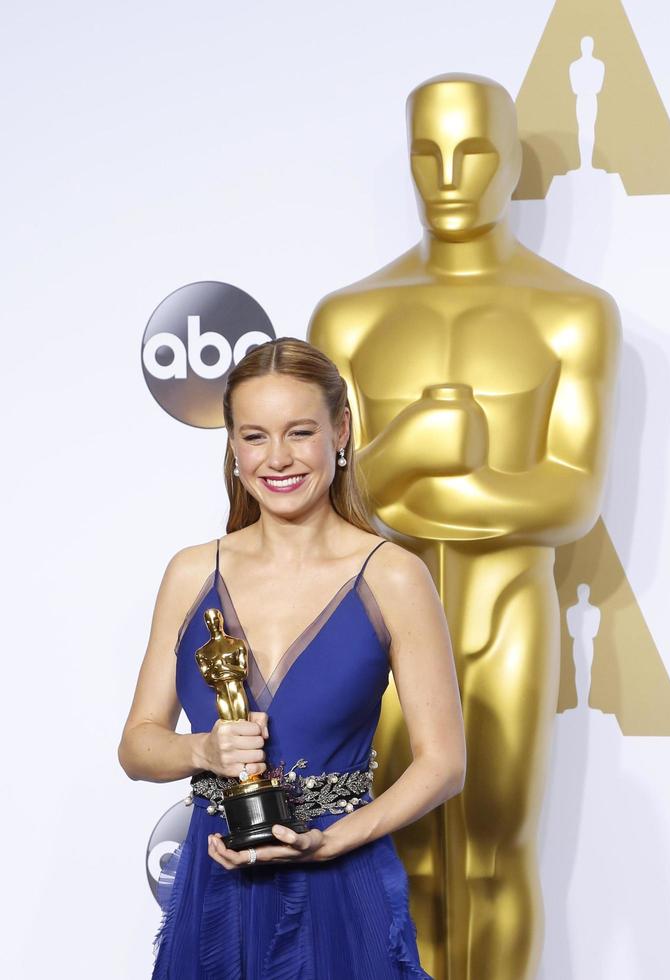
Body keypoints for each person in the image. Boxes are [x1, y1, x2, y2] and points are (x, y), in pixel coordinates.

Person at [117, 336, 466, 979]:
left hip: (342, 881)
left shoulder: (393, 576)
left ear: (340, 430)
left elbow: (444, 764)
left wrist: (332, 839)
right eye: (254, 436)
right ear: (232, 444)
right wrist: (203, 752)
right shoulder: (192, 572)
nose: (277, 459)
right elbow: (137, 746)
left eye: (299, 432)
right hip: (216, 885)